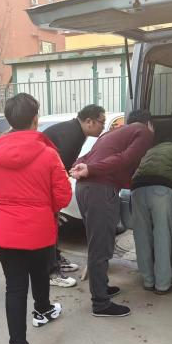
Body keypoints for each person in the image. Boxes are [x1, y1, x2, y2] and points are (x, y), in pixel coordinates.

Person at [0, 93, 72, 344]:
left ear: (9, 120)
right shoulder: (48, 153)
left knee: (15, 287)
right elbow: (63, 195)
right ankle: (42, 310)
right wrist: (43, 209)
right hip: (39, 228)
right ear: (35, 119)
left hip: (4, 230)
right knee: (40, 272)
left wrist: (5, 205)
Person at [70, 109, 154, 317]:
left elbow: (85, 157)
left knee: (97, 242)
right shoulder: (144, 132)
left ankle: (101, 288)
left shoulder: (110, 134)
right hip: (100, 190)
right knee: (101, 246)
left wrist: (81, 167)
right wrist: (92, 170)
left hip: (84, 189)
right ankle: (100, 303)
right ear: (149, 123)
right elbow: (125, 158)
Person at [42, 104, 107, 288]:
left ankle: (55, 259)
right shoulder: (72, 134)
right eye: (101, 122)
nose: (103, 127)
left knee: (52, 227)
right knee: (49, 228)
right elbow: (59, 170)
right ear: (89, 121)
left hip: (45, 184)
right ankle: (51, 272)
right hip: (43, 188)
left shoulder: (76, 131)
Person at [131, 125, 172, 295]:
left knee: (142, 236)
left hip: (137, 189)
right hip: (160, 191)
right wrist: (171, 187)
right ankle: (162, 285)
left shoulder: (151, 150)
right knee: (162, 235)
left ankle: (148, 281)